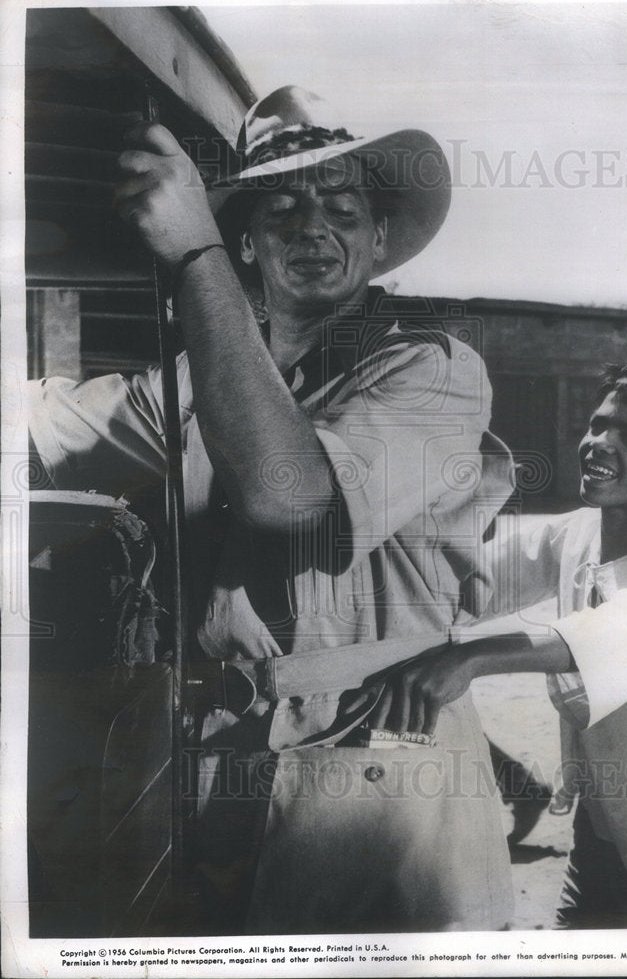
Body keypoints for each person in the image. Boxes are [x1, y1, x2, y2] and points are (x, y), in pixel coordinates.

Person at [27, 86, 515, 933]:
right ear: (248, 242)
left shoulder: (434, 372)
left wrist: (192, 259)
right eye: (281, 205)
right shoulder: (185, 391)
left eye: (342, 207)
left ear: (380, 239)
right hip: (221, 777)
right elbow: (41, 422)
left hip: (375, 790)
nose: (312, 225)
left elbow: (287, 494)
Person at [373, 359, 627, 928]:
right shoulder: (578, 531)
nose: (598, 444)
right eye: (598, 425)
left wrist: (470, 657)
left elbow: (613, 634)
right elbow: (476, 580)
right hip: (602, 819)